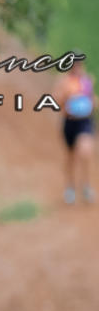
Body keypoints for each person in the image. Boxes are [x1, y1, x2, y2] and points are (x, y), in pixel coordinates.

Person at [57, 58, 95, 204]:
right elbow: (58, 100)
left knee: (85, 152)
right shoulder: (64, 82)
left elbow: (92, 99)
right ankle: (70, 187)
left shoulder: (87, 81)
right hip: (70, 122)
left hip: (84, 121)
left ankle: (86, 186)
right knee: (70, 156)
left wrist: (91, 104)